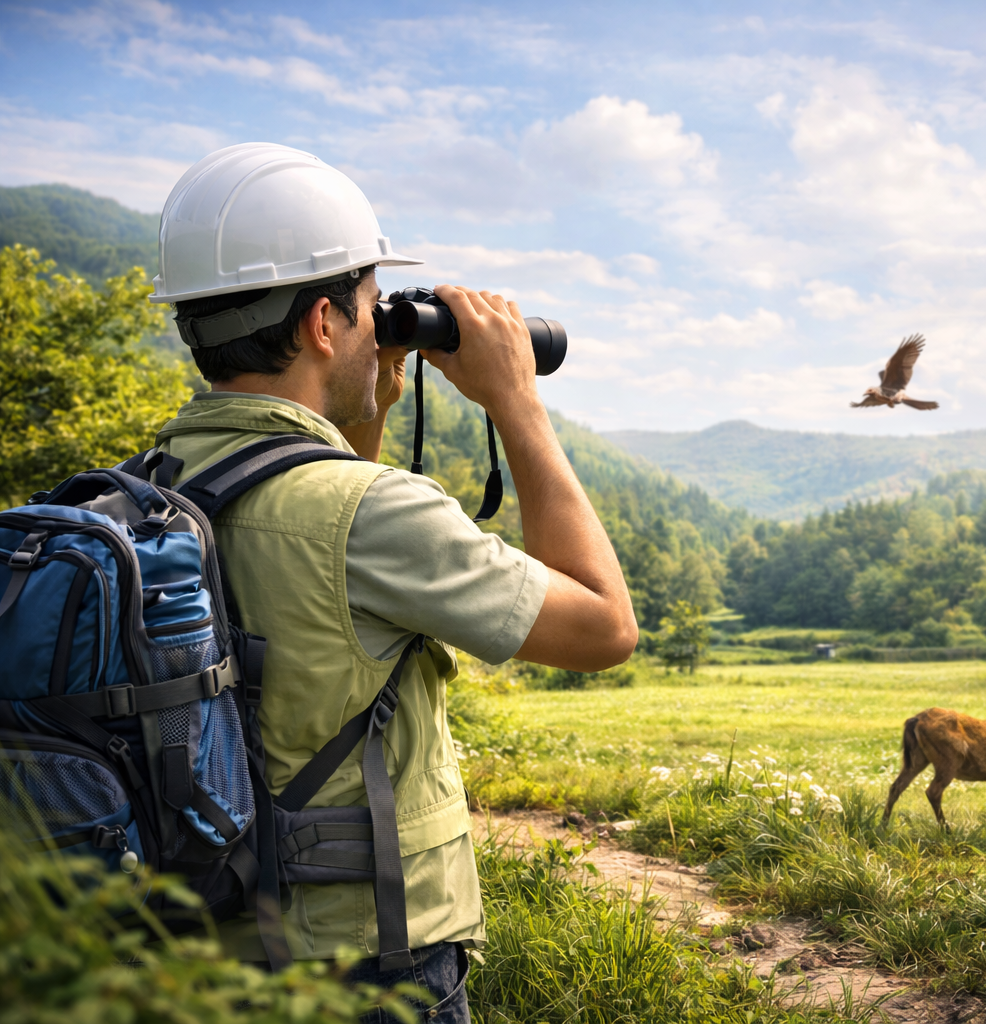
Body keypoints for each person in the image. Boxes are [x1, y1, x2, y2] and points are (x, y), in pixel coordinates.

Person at [148, 143, 637, 1022]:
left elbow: (322, 518)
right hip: (360, 966)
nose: (381, 326)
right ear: (322, 323)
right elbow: (605, 629)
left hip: (195, 955)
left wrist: (369, 393)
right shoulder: (375, 516)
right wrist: (516, 401)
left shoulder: (151, 484)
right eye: (371, 305)